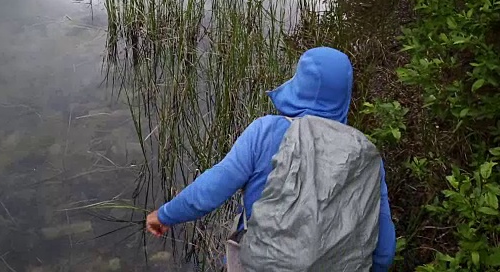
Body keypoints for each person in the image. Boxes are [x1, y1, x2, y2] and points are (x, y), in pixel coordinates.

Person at [145, 47, 396, 271]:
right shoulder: (365, 152)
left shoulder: (266, 131)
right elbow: (383, 247)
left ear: (300, 83)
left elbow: (209, 191)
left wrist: (165, 215)